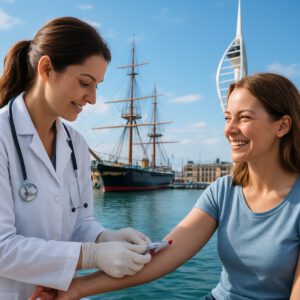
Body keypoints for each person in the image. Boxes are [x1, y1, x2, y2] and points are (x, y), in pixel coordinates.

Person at [31, 72, 300, 300]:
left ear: (282, 126)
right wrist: (74, 288)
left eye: (244, 118)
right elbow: (166, 253)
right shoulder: (222, 191)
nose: (229, 129)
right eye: (228, 117)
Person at [0, 16, 152, 299]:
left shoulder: (76, 144)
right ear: (46, 69)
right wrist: (93, 254)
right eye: (85, 83)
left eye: (97, 86)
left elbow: (80, 221)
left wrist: (104, 237)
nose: (92, 98)